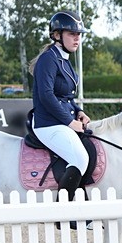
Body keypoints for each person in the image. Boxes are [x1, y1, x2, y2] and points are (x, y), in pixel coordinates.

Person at [30, 11, 91, 199]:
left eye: (79, 34)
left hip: (61, 121)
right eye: (72, 34)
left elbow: (66, 95)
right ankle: (63, 210)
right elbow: (47, 96)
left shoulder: (64, 60)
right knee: (80, 158)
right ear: (57, 35)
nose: (77, 39)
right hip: (47, 123)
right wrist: (69, 122)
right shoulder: (48, 59)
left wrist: (79, 111)